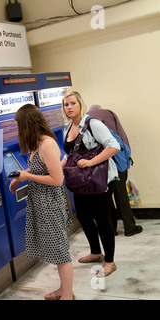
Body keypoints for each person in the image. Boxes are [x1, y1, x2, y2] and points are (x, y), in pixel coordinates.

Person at [9, 104, 74, 300]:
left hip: (50, 204)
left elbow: (57, 179)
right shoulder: (37, 144)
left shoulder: (46, 144)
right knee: (55, 250)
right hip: (41, 203)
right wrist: (20, 176)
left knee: (61, 253)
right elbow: (40, 169)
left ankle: (67, 295)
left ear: (27, 124)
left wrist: (27, 177)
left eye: (19, 125)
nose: (18, 130)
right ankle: (63, 290)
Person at [61, 92, 120, 278]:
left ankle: (110, 261)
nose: (69, 107)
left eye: (72, 103)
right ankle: (96, 252)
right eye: (65, 104)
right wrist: (55, 169)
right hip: (80, 183)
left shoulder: (93, 124)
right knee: (85, 218)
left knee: (103, 221)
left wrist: (91, 162)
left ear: (80, 104)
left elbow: (114, 145)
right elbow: (68, 155)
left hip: (99, 181)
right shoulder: (67, 127)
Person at [87, 105, 143, 237]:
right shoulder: (110, 114)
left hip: (97, 166)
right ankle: (130, 227)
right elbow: (122, 139)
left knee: (105, 198)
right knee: (121, 195)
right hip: (117, 163)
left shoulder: (85, 120)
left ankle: (111, 229)